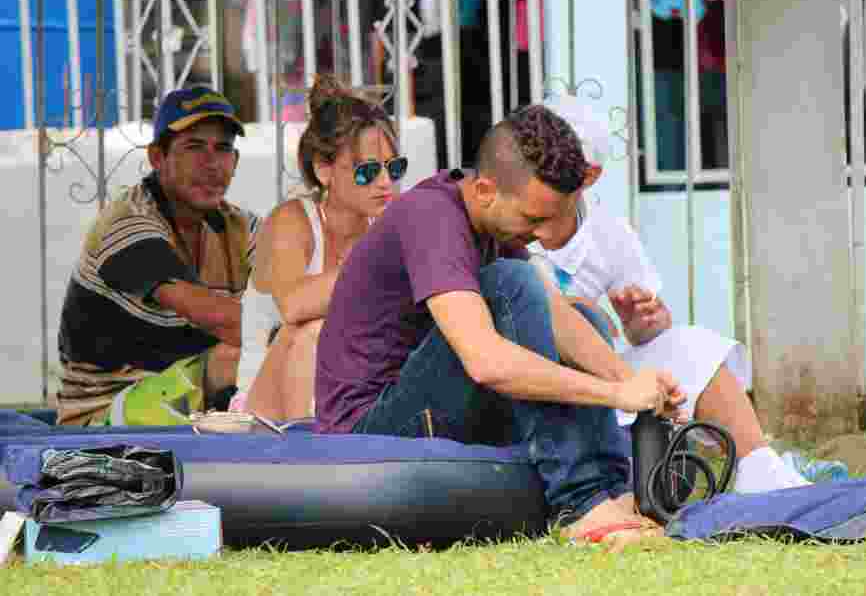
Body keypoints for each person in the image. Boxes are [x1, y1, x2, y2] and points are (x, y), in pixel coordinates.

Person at [316, 104, 686, 547]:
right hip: (369, 428)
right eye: (535, 220)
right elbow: (486, 362)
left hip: (440, 404)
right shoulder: (431, 217)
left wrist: (638, 385)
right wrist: (614, 393)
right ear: (486, 189)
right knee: (513, 282)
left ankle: (610, 490)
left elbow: (561, 320)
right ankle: (581, 503)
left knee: (582, 315)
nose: (546, 236)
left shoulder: (493, 219)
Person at [528, 94, 811, 494]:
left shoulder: (608, 232)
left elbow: (649, 332)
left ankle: (759, 466)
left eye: (555, 166)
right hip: (529, 381)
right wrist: (579, 315)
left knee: (690, 345)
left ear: (590, 176)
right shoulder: (500, 219)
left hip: (604, 380)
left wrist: (644, 322)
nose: (540, 175)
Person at [56, 86, 258, 426]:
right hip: (103, 412)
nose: (211, 164)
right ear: (157, 157)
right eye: (194, 147)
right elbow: (221, 319)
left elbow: (293, 282)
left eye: (222, 149)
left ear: (235, 162)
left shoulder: (239, 226)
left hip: (182, 386)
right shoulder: (127, 220)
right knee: (254, 354)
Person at [233, 75, 406, 421]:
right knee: (310, 330)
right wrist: (379, 263)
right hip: (263, 412)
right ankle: (313, 459)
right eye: (367, 171)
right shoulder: (291, 221)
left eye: (394, 167)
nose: (386, 182)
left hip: (351, 397)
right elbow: (295, 306)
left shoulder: (386, 227)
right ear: (324, 170)